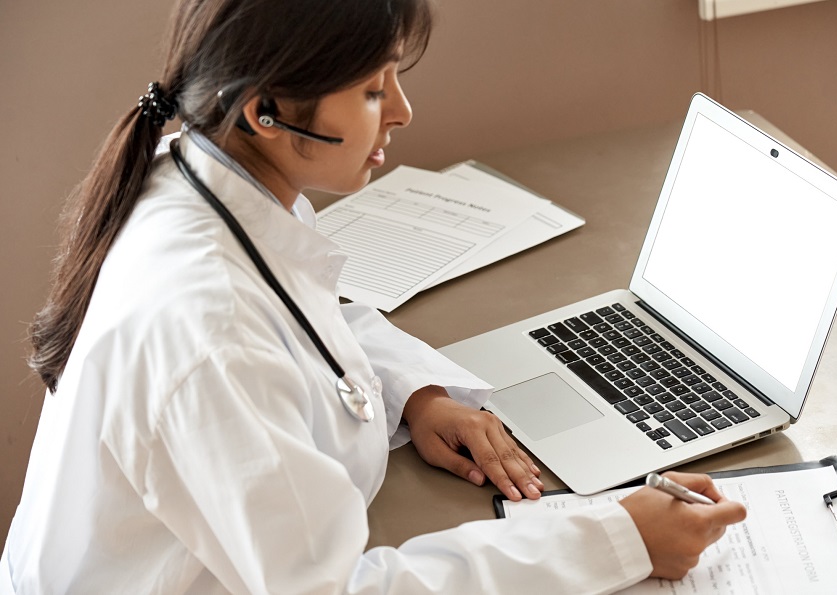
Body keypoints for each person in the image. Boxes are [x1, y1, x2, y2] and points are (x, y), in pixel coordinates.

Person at [1, 0, 746, 592]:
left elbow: (307, 311)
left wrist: (413, 393)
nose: (401, 110)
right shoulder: (206, 330)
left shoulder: (213, 173)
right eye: (370, 88)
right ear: (267, 111)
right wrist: (617, 537)